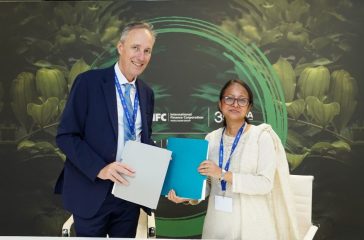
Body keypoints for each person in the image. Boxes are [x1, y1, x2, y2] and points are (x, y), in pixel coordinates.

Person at [54, 22, 156, 237]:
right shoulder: (88, 82)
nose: (141, 56)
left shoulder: (146, 93)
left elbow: (144, 141)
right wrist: (101, 168)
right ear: (120, 47)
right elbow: (66, 135)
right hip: (92, 190)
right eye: (135, 48)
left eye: (147, 50)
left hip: (129, 195)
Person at [168, 80, 300, 240]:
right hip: (217, 224)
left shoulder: (262, 137)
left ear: (249, 107)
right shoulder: (212, 138)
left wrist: (223, 174)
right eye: (229, 98)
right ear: (220, 104)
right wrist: (189, 196)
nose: (235, 104)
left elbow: (265, 184)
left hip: (252, 227)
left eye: (242, 100)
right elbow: (209, 182)